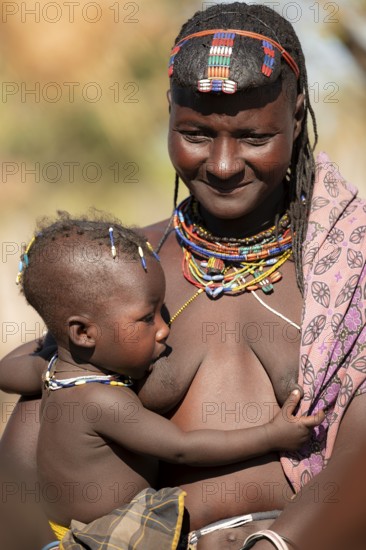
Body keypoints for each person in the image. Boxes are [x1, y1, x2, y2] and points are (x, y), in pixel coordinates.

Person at [0, 2, 365, 549]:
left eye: (253, 138)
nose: (221, 165)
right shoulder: (124, 272)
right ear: (168, 113)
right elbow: (37, 406)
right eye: (195, 134)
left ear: (296, 118)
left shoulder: (346, 265)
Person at [5, 213, 321, 547]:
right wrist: (271, 435)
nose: (164, 329)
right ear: (83, 332)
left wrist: (49, 341)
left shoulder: (51, 370)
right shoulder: (103, 402)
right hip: (112, 538)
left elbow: (5, 372)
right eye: (146, 318)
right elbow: (183, 449)